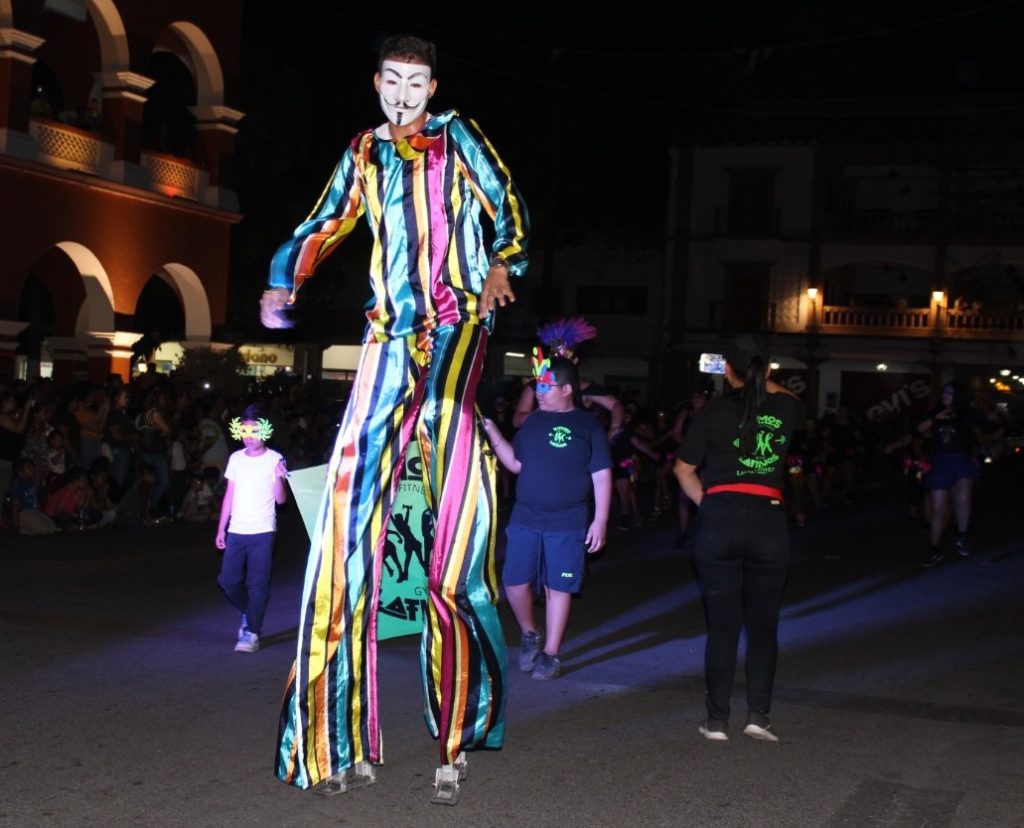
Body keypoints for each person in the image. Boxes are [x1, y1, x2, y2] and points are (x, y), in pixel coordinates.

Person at [261, 34, 528, 803]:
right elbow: (323, 222)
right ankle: (335, 734)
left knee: (453, 524)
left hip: (456, 329)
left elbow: (504, 199)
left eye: (418, 83)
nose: (406, 95)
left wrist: (505, 258)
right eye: (394, 82)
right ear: (377, 83)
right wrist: (286, 280)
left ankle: (454, 736)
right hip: (387, 335)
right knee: (347, 522)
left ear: (432, 85)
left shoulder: (458, 136)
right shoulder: (363, 153)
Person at [674, 334, 805, 743]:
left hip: (720, 519)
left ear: (725, 369)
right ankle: (758, 717)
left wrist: (708, 503)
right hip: (767, 521)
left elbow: (683, 469)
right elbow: (795, 402)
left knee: (723, 626)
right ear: (764, 369)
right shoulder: (785, 406)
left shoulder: (713, 410)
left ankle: (716, 721)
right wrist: (761, 378)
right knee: (763, 626)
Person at [482, 354, 612, 680]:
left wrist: (601, 520)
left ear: (567, 389)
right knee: (513, 583)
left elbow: (601, 475)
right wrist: (494, 433)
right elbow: (516, 464)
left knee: (559, 587)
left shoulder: (588, 425)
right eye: (537, 385)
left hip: (568, 520)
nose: (539, 392)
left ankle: (552, 653)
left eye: (545, 386)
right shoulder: (534, 422)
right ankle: (530, 633)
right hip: (526, 515)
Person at [214, 406, 288, 653]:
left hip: (263, 530)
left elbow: (281, 500)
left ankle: (253, 632)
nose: (249, 435)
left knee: (257, 584)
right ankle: (249, 612)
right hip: (237, 530)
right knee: (228, 580)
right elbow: (229, 495)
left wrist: (278, 476)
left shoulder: (274, 459)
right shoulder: (236, 458)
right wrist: (221, 529)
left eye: (255, 430)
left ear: (265, 432)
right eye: (244, 430)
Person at [513, 317, 625, 435]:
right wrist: (540, 411)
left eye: (563, 358)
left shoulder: (582, 387)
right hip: (540, 443)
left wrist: (613, 432)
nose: (559, 362)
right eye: (554, 357)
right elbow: (517, 421)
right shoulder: (535, 386)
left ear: (575, 361)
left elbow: (615, 405)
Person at [917, 381, 984, 566]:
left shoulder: (965, 414)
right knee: (939, 509)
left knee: (963, 499)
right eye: (944, 392)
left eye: (950, 392)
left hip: (961, 460)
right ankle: (934, 548)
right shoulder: (935, 411)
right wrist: (935, 419)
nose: (945, 395)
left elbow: (983, 421)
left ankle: (962, 536)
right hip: (941, 462)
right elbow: (918, 429)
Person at [8, 457, 58, 535]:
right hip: (24, 512)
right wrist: (16, 523)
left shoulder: (31, 482)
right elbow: (15, 504)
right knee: (44, 530)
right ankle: (23, 529)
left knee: (52, 528)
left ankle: (29, 528)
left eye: (32, 467)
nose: (33, 469)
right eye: (29, 467)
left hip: (34, 511)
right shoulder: (18, 484)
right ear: (20, 472)